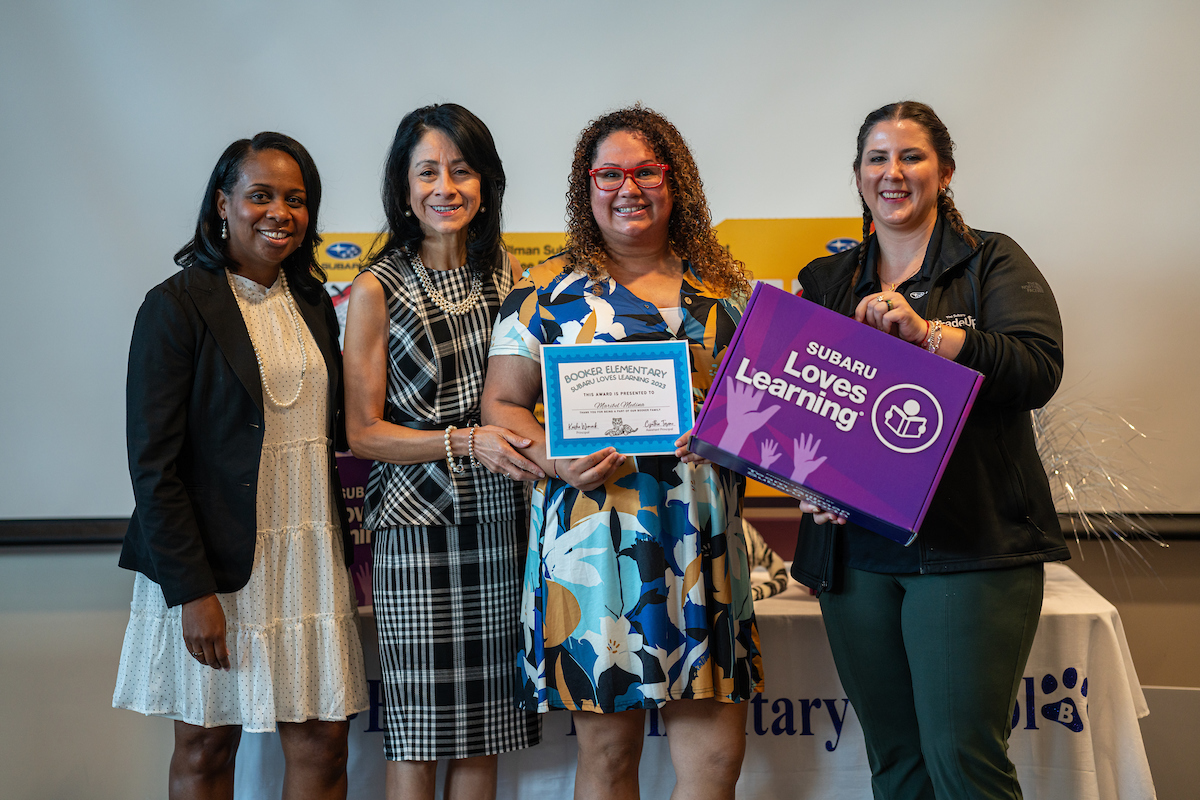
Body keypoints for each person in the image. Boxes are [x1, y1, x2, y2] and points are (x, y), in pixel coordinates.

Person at [482, 105, 764, 800]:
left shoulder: (729, 294)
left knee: (715, 763)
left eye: (646, 170)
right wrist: (552, 458)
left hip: (700, 541)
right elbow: (502, 405)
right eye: (608, 173)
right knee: (607, 761)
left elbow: (769, 421)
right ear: (587, 187)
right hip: (590, 540)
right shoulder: (542, 294)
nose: (627, 187)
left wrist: (729, 429)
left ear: (677, 183)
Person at [792, 101, 1069, 800]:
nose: (894, 173)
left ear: (945, 172)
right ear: (858, 175)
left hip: (969, 547)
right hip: (855, 558)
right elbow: (804, 415)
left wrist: (931, 336)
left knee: (962, 763)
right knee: (898, 766)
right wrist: (804, 478)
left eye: (911, 157)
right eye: (877, 158)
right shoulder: (825, 284)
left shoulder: (992, 260)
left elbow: (1038, 369)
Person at [113, 132, 369, 800]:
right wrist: (191, 593)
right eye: (260, 195)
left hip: (306, 553)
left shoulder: (314, 302)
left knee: (322, 743)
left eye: (296, 198)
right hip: (213, 567)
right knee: (205, 745)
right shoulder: (174, 306)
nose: (278, 211)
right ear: (222, 205)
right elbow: (153, 466)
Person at [341, 104, 542, 800]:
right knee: (420, 734)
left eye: (462, 171)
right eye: (427, 172)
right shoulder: (374, 287)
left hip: (502, 521)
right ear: (403, 189)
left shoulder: (508, 275)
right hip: (417, 530)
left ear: (486, 183)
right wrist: (464, 439)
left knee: (487, 729)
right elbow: (363, 433)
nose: (445, 187)